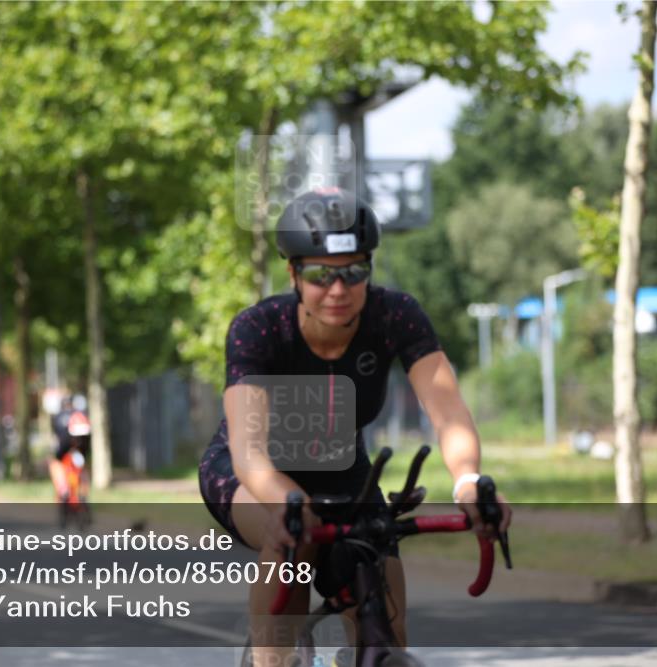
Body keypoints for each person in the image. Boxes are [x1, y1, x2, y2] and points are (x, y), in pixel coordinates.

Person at [197, 188, 512, 664]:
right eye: (321, 274)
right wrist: (288, 503)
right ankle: (270, 661)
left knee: (382, 599)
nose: (338, 290)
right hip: (250, 474)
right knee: (293, 549)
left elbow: (447, 410)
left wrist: (468, 480)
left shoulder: (395, 316)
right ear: (293, 274)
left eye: (354, 272)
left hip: (343, 469)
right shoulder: (260, 329)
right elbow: (250, 453)